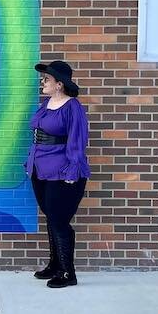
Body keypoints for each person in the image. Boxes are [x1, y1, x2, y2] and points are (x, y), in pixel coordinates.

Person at [24, 60, 91, 288]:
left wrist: (73, 168)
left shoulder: (72, 107)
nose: (42, 82)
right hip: (40, 169)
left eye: (46, 80)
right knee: (51, 217)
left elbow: (77, 140)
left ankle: (67, 273)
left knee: (59, 220)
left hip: (63, 172)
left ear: (59, 84)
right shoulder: (46, 104)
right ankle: (55, 265)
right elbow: (38, 135)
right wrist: (30, 162)